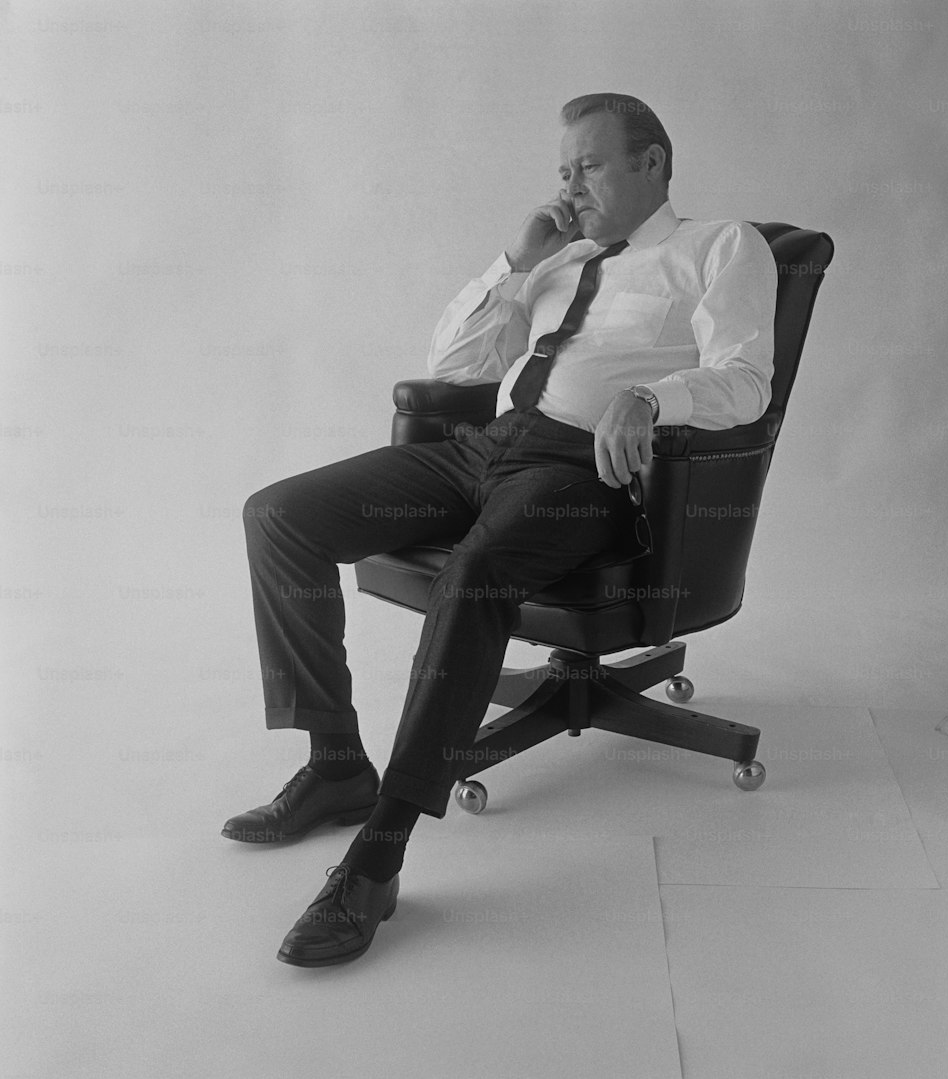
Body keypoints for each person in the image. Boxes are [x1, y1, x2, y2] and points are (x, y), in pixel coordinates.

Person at [223, 92, 777, 967]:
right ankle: (336, 761)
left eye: (588, 165)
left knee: (473, 573)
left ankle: (380, 851)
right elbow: (454, 366)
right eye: (563, 169)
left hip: (581, 470)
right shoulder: (560, 257)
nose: (571, 184)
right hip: (483, 450)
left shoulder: (719, 246)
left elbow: (746, 381)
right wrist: (516, 264)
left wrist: (651, 396)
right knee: (279, 516)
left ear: (652, 162)